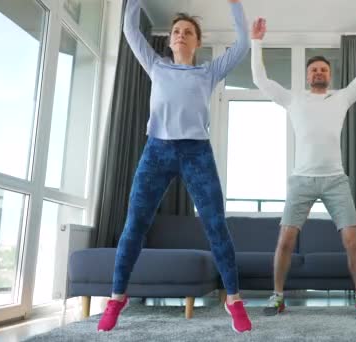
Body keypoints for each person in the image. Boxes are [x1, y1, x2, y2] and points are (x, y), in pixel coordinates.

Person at [97, 0, 252, 333]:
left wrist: (236, 5)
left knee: (216, 226)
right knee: (135, 225)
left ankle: (234, 300)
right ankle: (116, 297)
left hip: (197, 153)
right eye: (177, 32)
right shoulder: (156, 65)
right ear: (169, 41)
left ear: (197, 42)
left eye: (189, 32)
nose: (181, 35)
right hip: (157, 152)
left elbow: (242, 44)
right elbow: (129, 29)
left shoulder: (208, 72)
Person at [251, 10, 356, 317]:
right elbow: (260, 79)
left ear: (329, 75)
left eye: (323, 69)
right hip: (301, 180)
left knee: (352, 240)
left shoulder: (342, 98)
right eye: (314, 70)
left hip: (336, 179)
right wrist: (256, 43)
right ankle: (277, 296)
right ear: (308, 77)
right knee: (285, 241)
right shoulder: (294, 99)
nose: (318, 72)